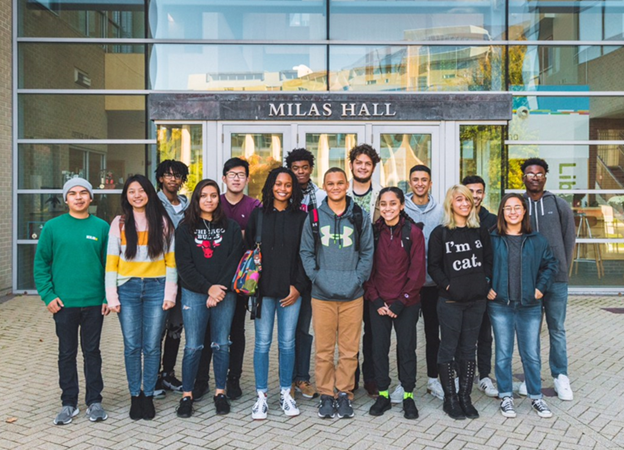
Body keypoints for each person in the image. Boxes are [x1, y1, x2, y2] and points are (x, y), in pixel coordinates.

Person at [34, 178, 110, 425]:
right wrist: (48, 295)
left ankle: (94, 402)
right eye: (73, 193)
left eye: (83, 193)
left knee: (92, 352)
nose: (78, 197)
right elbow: (41, 264)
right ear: (66, 199)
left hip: (93, 302)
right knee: (66, 353)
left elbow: (111, 267)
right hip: (63, 304)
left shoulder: (101, 227)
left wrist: (108, 296)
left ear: (91, 198)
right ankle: (69, 403)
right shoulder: (53, 227)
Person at [300, 167, 374, 419]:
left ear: (346, 185)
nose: (335, 187)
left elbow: (367, 253)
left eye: (339, 183)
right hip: (322, 295)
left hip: (352, 294)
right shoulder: (313, 217)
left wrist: (357, 279)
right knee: (323, 349)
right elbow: (306, 253)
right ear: (325, 185)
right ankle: (325, 394)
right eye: (330, 183)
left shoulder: (360, 216)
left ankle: (344, 393)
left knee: (349, 349)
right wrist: (318, 279)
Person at [105, 175, 177, 421]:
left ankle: (148, 395)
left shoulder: (163, 222)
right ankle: (135, 395)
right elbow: (111, 263)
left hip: (157, 288)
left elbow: (171, 262)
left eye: (141, 190)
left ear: (149, 193)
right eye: (131, 191)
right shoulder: (119, 223)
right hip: (128, 289)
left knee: (152, 345)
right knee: (132, 345)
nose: (137, 195)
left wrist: (170, 293)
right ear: (126, 195)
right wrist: (111, 296)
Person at [173, 179, 244, 418]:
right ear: (197, 199)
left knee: (221, 345)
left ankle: (220, 392)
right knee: (193, 346)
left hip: (225, 294)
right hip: (194, 294)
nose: (209, 200)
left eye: (213, 195)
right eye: (204, 196)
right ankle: (187, 395)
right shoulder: (185, 228)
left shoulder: (231, 227)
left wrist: (219, 289)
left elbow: (235, 259)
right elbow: (184, 265)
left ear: (218, 198)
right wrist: (207, 288)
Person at [193, 158, 261, 402]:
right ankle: (201, 380)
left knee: (236, 331)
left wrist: (236, 235)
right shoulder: (213, 201)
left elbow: (252, 240)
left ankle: (233, 379)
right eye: (231, 174)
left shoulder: (254, 205)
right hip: (208, 279)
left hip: (240, 279)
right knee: (205, 331)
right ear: (224, 178)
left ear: (247, 179)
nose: (236, 178)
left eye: (241, 174)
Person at [488, 194, 558, 419]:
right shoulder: (492, 238)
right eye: (508, 208)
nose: (512, 212)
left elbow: (550, 264)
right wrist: (486, 285)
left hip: (530, 305)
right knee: (503, 354)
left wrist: (540, 288)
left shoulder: (537, 239)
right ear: (502, 212)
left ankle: (536, 397)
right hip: (501, 305)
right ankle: (506, 395)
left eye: (517, 207)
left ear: (524, 211)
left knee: (531, 354)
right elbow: (481, 265)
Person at [427, 184, 493, 420]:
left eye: (467, 200)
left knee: (468, 350)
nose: (465, 204)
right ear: (451, 204)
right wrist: (448, 286)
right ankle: (450, 398)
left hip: (476, 302)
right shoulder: (440, 233)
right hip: (450, 303)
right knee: (448, 349)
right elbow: (433, 266)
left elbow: (488, 261)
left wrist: (484, 284)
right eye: (459, 200)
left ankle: (465, 398)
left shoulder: (480, 232)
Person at [247, 168, 309, 419]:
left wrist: (298, 286)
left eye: (288, 185)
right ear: (271, 185)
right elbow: (248, 252)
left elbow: (306, 255)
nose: (282, 188)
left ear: (293, 189)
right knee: (262, 344)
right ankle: (261, 396)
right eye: (278, 183)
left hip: (290, 293)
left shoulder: (301, 218)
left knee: (287, 344)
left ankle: (286, 393)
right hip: (263, 293)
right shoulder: (258, 215)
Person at [365, 187, 426, 420]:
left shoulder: (414, 233)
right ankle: (383, 395)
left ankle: (408, 396)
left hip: (406, 304)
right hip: (378, 302)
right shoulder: (373, 233)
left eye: (393, 203)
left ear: (402, 206)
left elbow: (417, 271)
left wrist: (402, 302)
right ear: (379, 206)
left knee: (406, 349)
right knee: (378, 350)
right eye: (383, 204)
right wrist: (376, 299)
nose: (387, 208)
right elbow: (367, 269)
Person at [521, 158, 575, 401]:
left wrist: (563, 270)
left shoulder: (559, 204)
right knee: (530, 331)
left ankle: (560, 376)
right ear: (523, 176)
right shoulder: (516, 204)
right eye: (530, 173)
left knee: (557, 329)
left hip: (556, 280)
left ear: (545, 176)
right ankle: (531, 378)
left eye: (539, 173)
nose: (535, 177)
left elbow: (568, 240)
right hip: (527, 280)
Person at [399, 164, 445, 402]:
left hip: (432, 285)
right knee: (405, 336)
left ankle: (433, 380)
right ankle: (402, 382)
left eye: (424, 179)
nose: (419, 183)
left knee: (432, 334)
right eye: (415, 179)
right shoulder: (400, 208)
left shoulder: (441, 211)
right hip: (406, 285)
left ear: (430, 183)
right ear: (410, 182)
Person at [285, 148, 325, 399]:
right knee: (286, 332)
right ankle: (286, 380)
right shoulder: (284, 193)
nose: (300, 172)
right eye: (295, 168)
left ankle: (302, 378)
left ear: (311, 168)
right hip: (287, 272)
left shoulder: (320, 196)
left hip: (311, 270)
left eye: (304, 167)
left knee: (303, 329)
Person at [347, 144, 382, 397]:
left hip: (375, 272)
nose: (362, 167)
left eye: (367, 163)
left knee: (373, 330)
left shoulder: (382, 196)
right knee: (349, 331)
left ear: (373, 167)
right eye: (358, 162)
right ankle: (350, 378)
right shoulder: (340, 194)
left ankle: (371, 377)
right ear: (351, 165)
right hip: (346, 271)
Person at [154, 159, 189, 397]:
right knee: (157, 328)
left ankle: (168, 374)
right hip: (159, 274)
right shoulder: (152, 204)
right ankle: (153, 377)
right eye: (168, 175)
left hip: (184, 274)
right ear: (160, 178)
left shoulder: (188, 205)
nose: (172, 179)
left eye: (177, 176)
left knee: (176, 327)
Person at [461, 175, 498, 398]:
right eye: (470, 191)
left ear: (483, 194)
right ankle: (458, 376)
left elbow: (494, 258)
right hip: (460, 289)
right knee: (459, 336)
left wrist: (490, 285)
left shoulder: (492, 221)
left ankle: (484, 376)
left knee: (484, 335)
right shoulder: (454, 219)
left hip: (485, 289)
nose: (475, 196)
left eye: (479, 191)